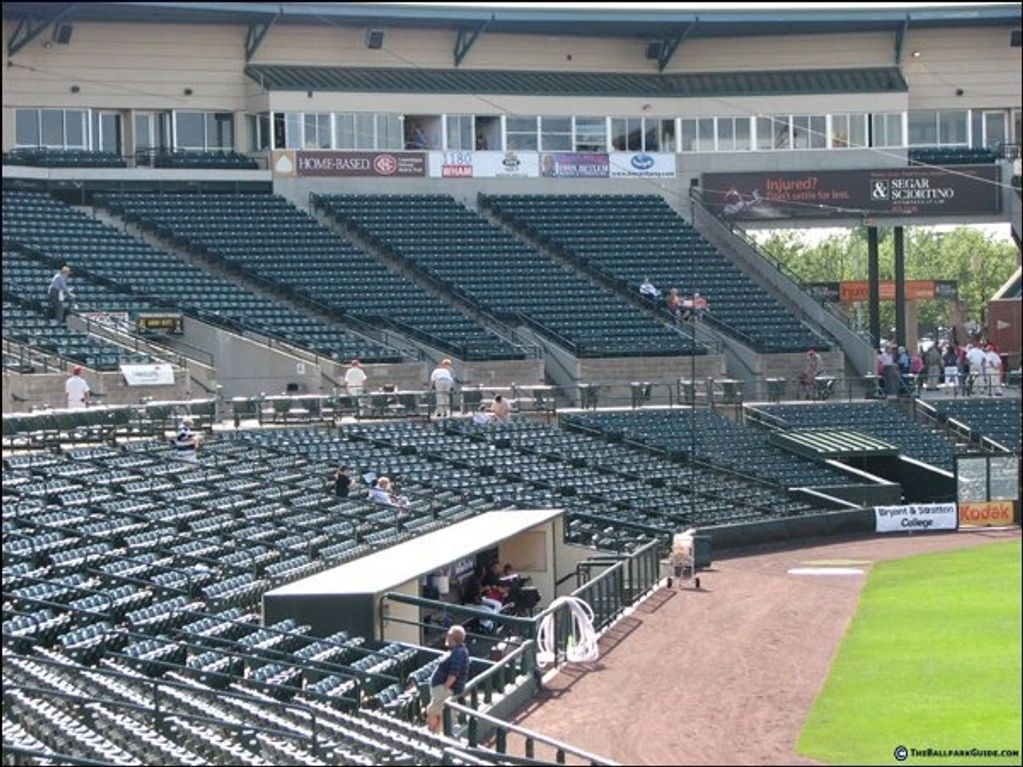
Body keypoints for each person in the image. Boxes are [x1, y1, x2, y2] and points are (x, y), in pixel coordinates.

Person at [426, 625, 470, 733]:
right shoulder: (457, 651)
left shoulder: (458, 652)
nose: (447, 636)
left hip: (446, 689)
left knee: (432, 711)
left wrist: (445, 688)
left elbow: (453, 673)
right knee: (439, 712)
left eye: (449, 634)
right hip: (444, 688)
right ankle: (435, 734)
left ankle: (432, 735)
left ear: (453, 637)